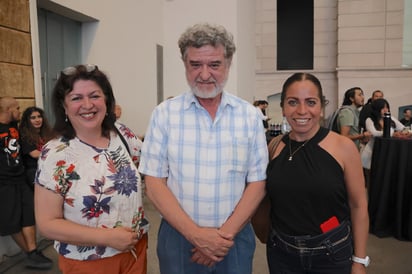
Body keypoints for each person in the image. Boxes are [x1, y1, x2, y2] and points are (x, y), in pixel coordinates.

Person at [138, 23, 268, 274]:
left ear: (228, 64)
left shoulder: (249, 116)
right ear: (185, 64)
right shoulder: (164, 114)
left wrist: (222, 238)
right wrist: (196, 235)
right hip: (178, 238)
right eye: (195, 64)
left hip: (234, 238)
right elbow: (154, 183)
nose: (205, 74)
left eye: (214, 65)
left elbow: (257, 183)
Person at [34, 64, 149, 274]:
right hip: (88, 262)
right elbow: (47, 223)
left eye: (94, 96)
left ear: (106, 100)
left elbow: (153, 170)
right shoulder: (55, 153)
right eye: (76, 98)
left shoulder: (121, 134)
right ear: (64, 106)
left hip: (135, 251)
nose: (87, 105)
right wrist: (108, 238)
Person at [265, 73, 369, 274]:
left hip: (332, 254)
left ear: (321, 107)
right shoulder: (274, 147)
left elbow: (358, 205)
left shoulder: (344, 147)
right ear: (283, 108)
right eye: (293, 102)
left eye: (310, 102)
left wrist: (359, 260)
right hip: (282, 255)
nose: (302, 111)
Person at [0, 96, 53, 270]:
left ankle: (33, 252)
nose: (19, 111)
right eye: (16, 108)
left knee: (28, 214)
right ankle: (30, 254)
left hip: (20, 178)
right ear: (8, 110)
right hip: (4, 182)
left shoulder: (14, 127)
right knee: (12, 219)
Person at [361, 98, 409, 171]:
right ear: (377, 109)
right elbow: (373, 133)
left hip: (388, 152)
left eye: (387, 107)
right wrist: (392, 134)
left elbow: (403, 128)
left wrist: (405, 132)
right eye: (383, 108)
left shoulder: (391, 118)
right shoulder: (370, 119)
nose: (385, 110)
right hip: (373, 152)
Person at [19, 106, 53, 190]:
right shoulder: (24, 135)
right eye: (33, 118)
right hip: (34, 170)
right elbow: (35, 154)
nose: (37, 120)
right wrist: (55, 154)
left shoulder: (47, 133)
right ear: (27, 120)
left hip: (48, 167)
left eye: (39, 117)